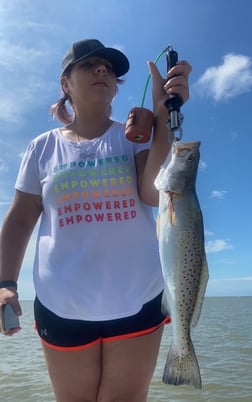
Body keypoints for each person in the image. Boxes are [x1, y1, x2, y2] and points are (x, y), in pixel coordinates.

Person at [0, 39, 191, 402]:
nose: (103, 70)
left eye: (109, 68)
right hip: (62, 304)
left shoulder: (134, 139)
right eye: (90, 65)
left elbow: (153, 194)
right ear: (65, 84)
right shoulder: (42, 147)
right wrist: (5, 281)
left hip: (139, 299)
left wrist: (163, 121)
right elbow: (21, 218)